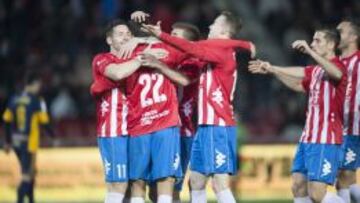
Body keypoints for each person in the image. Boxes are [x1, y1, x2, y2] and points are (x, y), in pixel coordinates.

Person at [141, 11, 255, 203]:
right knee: (196, 182)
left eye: (214, 24)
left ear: (223, 30)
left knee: (220, 184)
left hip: (217, 124)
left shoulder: (221, 50)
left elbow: (190, 47)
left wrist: (161, 35)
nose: (209, 27)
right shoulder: (219, 49)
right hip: (204, 127)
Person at [248, 28, 346, 203]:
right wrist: (272, 69)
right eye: (312, 41)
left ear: (331, 44)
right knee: (298, 185)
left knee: (317, 194)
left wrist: (308, 50)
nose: (312, 44)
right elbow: (299, 83)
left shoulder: (338, 66)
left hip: (326, 138)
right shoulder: (316, 71)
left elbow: (336, 74)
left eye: (318, 41)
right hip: (308, 136)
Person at [90, 19, 144, 203]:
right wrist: (141, 58)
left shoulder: (136, 59)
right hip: (113, 131)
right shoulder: (102, 59)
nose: (126, 37)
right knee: (118, 184)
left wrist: (139, 43)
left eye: (129, 34)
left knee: (134, 184)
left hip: (136, 130)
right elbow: (118, 73)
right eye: (120, 34)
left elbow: (161, 43)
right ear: (109, 40)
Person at [2, 72, 54, 203]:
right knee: (27, 175)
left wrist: (7, 141)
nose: (39, 87)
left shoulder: (14, 98)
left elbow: (6, 120)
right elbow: (44, 122)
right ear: (35, 84)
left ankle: (31, 200)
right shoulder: (37, 101)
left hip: (16, 142)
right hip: (29, 142)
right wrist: (53, 136)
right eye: (39, 85)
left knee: (31, 173)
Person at [336, 19, 360, 203]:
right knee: (343, 178)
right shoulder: (335, 63)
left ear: (354, 37)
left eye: (341, 32)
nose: (337, 35)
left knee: (345, 174)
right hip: (336, 126)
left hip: (355, 126)